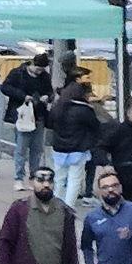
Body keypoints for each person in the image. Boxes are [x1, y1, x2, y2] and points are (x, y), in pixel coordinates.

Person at [0, 164, 79, 264]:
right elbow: (4, 242)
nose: (46, 185)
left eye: (50, 181)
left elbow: (71, 247)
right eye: (40, 180)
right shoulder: (19, 210)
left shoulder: (65, 211)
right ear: (31, 183)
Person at [48, 76, 105, 205]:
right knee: (74, 179)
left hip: (59, 148)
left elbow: (50, 124)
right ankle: (69, 207)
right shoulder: (84, 110)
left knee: (59, 179)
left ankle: (57, 206)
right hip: (78, 149)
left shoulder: (57, 108)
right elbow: (96, 126)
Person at [1, 52, 51, 186]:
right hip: (22, 116)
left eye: (42, 70)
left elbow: (49, 91)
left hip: (38, 115)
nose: (39, 72)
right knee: (21, 148)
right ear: (32, 64)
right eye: (38, 69)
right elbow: (5, 87)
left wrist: (47, 97)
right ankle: (19, 177)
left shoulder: (45, 77)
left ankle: (34, 176)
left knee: (37, 148)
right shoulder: (17, 73)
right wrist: (23, 96)